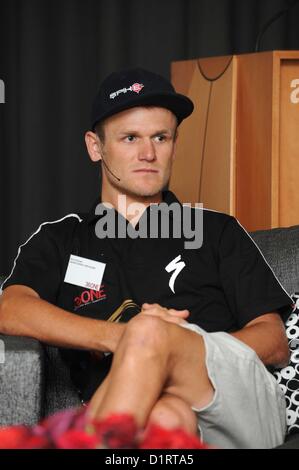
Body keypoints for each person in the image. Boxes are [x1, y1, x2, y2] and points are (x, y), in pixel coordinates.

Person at [0, 67, 292, 448]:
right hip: (136, 413)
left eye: (161, 137)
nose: (149, 153)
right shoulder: (60, 239)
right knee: (165, 417)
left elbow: (274, 341)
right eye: (130, 138)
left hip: (238, 405)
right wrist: (121, 338)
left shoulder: (215, 230)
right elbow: (12, 308)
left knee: (152, 332)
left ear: (174, 143)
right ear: (95, 146)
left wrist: (175, 345)